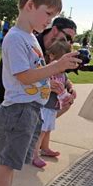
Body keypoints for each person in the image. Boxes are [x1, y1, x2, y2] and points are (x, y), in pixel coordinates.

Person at [0, 0, 81, 186]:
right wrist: (57, 66)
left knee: (15, 163)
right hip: (17, 110)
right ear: (29, 5)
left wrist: (52, 84)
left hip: (30, 109)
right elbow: (24, 76)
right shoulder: (16, 38)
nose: (50, 22)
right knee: (7, 164)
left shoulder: (30, 38)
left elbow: (36, 75)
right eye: (48, 14)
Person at [0, 17, 78, 146]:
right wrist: (49, 83)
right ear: (55, 30)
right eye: (68, 37)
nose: (69, 43)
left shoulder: (58, 50)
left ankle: (29, 133)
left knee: (61, 106)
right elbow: (23, 78)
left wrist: (69, 89)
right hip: (5, 99)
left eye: (72, 40)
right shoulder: (28, 43)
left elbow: (62, 76)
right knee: (17, 144)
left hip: (31, 101)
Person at [32, 39, 73, 168]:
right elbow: (38, 83)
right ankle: (34, 155)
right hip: (44, 105)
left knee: (48, 129)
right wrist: (49, 85)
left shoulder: (62, 72)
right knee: (41, 131)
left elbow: (67, 82)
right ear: (51, 56)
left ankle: (45, 148)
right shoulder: (47, 70)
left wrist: (71, 89)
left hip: (53, 106)